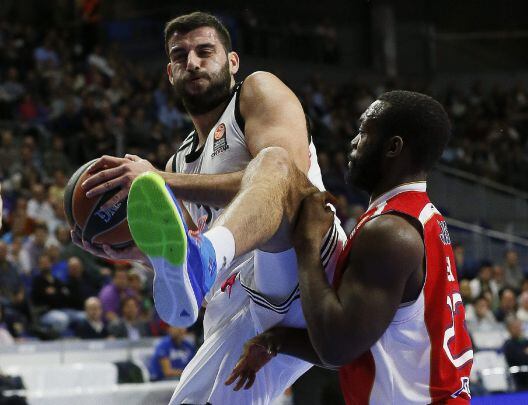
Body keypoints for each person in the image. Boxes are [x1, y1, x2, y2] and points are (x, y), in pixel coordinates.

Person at [72, 11, 345, 405]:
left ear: (232, 62)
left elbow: (289, 180)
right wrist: (133, 253)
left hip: (302, 260)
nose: (193, 62)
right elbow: (181, 256)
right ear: (170, 72)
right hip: (241, 307)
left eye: (205, 51)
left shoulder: (257, 91)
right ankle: (205, 260)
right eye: (180, 56)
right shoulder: (178, 162)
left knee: (273, 164)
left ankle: (207, 258)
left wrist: (158, 182)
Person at [185, 91, 472, 403]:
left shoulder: (390, 232)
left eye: (364, 132)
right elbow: (359, 338)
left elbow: (338, 348)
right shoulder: (422, 218)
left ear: (393, 147)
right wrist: (277, 339)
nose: (353, 142)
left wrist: (307, 245)